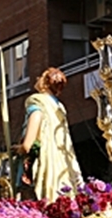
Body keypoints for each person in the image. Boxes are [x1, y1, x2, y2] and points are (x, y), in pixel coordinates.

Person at [15, 67, 82, 201]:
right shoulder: (59, 107)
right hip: (61, 161)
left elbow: (36, 116)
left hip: (40, 159)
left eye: (40, 77)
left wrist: (25, 146)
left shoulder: (37, 100)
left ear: (45, 83)